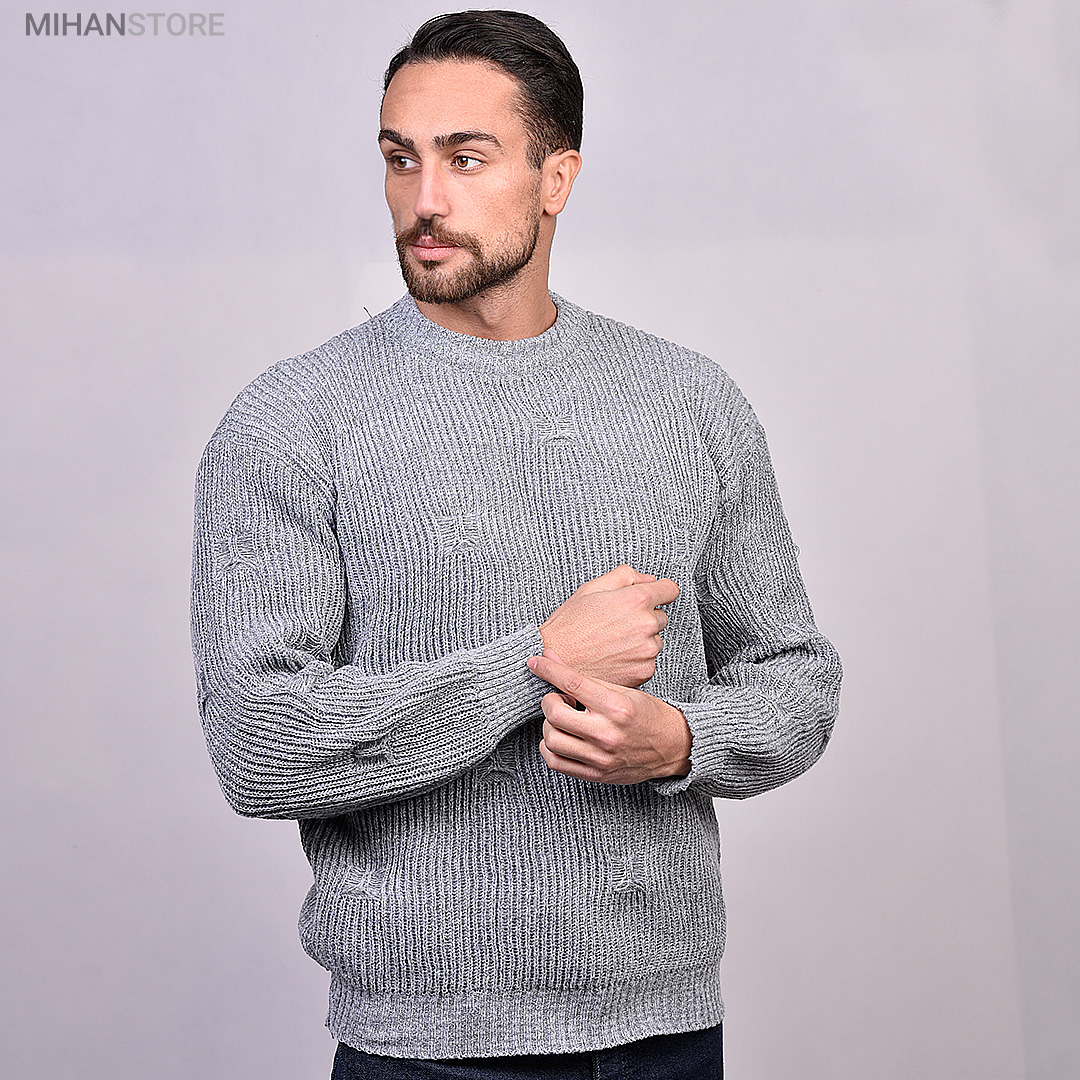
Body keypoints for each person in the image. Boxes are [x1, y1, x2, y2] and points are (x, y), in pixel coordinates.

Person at [190, 10, 842, 1078]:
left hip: (668, 1036)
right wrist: (537, 664)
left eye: (466, 158)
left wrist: (681, 741)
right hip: (423, 1053)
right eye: (400, 158)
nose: (424, 199)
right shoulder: (291, 423)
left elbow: (796, 678)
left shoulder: (687, 403)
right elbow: (258, 744)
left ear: (557, 178)